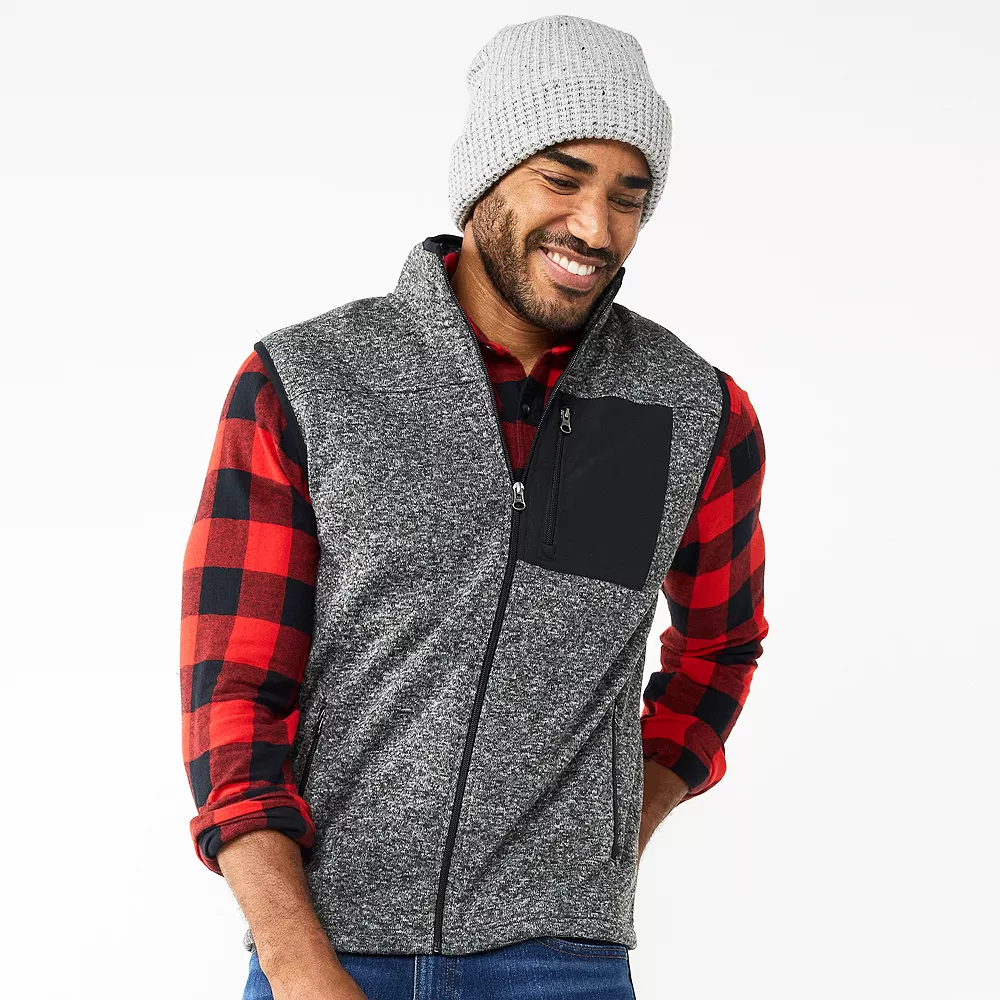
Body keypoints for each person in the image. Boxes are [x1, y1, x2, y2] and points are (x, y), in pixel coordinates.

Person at [179, 14, 768, 1000]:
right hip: (327, 949)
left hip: (562, 965)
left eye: (628, 197)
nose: (596, 228)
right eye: (562, 179)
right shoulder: (308, 381)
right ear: (486, 179)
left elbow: (720, 646)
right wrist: (297, 963)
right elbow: (233, 692)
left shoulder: (693, 410)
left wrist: (605, 839)